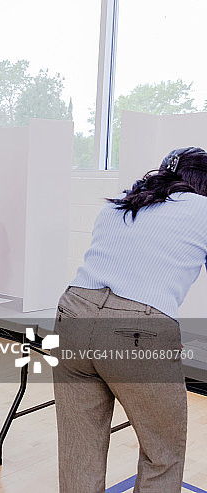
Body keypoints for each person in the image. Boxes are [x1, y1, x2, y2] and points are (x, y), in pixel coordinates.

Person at [53, 147, 207, 492]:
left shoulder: (120, 203)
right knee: (162, 453)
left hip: (73, 313)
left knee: (80, 449)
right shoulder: (204, 209)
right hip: (139, 330)